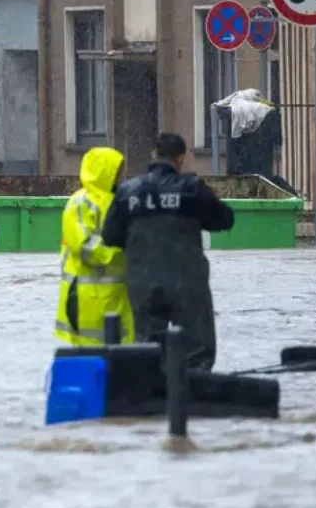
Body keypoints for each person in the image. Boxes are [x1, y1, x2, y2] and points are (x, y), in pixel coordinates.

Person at [101, 133, 235, 371]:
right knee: (197, 350)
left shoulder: (128, 192)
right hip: (187, 282)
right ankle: (191, 396)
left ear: (154, 154)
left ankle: (151, 397)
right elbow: (225, 220)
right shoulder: (192, 189)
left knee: (148, 346)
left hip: (142, 282)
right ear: (181, 158)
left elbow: (110, 236)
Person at [53, 146, 134, 348]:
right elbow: (86, 247)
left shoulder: (120, 200)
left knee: (122, 356)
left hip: (118, 296)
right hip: (87, 298)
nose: (120, 176)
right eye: (116, 170)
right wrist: (121, 249)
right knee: (91, 356)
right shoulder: (80, 203)